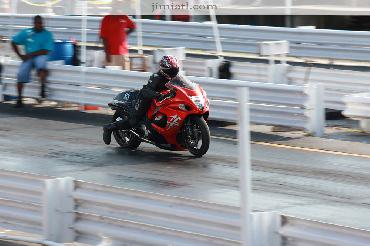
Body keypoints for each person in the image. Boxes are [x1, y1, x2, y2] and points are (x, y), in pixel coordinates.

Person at [103, 55, 180, 145]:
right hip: (146, 99)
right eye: (171, 70)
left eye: (175, 70)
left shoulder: (176, 78)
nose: (173, 72)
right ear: (164, 69)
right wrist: (158, 95)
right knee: (133, 121)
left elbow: (184, 87)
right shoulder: (156, 77)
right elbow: (147, 91)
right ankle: (108, 128)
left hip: (163, 101)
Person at [11, 15, 54, 108]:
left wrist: (29, 55)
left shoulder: (48, 34)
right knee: (21, 74)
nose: (40, 25)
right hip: (29, 57)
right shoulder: (26, 32)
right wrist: (20, 55)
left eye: (42, 23)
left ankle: (42, 87)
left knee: (41, 64)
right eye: (38, 23)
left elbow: (45, 51)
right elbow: (13, 41)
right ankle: (19, 98)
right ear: (34, 23)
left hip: (40, 55)